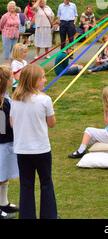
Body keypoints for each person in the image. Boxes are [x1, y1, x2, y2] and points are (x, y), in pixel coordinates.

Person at [10, 65, 58, 219]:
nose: (45, 79)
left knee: (26, 185)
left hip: (22, 150)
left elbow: (12, 123)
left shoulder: (15, 100)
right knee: (46, 183)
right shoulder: (45, 100)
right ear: (34, 80)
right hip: (41, 150)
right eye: (43, 77)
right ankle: (49, 216)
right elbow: (51, 123)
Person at [68, 86, 108, 158]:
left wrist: (105, 109)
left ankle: (80, 151)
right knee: (89, 139)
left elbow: (107, 123)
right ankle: (84, 148)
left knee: (88, 130)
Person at [0, 66, 19, 219]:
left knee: (4, 174)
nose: (13, 79)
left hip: (7, 143)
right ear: (5, 81)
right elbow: (1, 129)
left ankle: (3, 202)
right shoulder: (1, 103)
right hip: (2, 144)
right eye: (11, 78)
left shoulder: (5, 98)